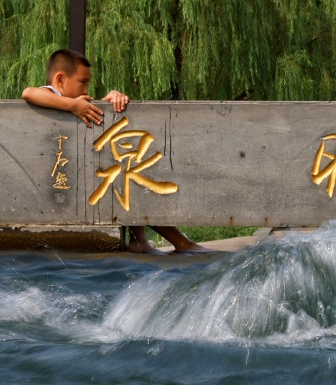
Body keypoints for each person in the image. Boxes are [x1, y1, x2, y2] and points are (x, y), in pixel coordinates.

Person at [22, 49, 208, 254]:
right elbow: (29, 93)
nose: (86, 88)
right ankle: (174, 242)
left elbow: (96, 122)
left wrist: (112, 98)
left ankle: (145, 239)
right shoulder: (53, 95)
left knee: (128, 173)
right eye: (82, 82)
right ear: (60, 80)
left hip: (85, 174)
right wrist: (73, 105)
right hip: (61, 183)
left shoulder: (78, 103)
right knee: (125, 177)